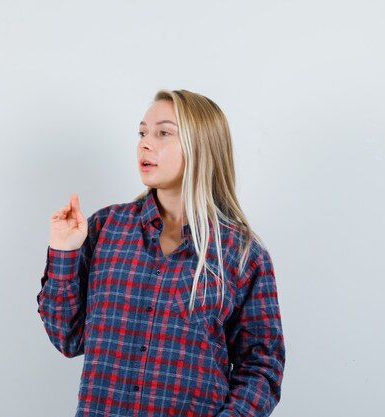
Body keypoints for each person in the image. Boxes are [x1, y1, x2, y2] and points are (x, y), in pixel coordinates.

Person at [36, 89, 285, 416]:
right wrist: (64, 253)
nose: (145, 143)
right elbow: (67, 338)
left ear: (202, 146)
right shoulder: (105, 229)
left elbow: (262, 365)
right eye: (142, 133)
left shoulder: (241, 253)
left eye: (163, 133)